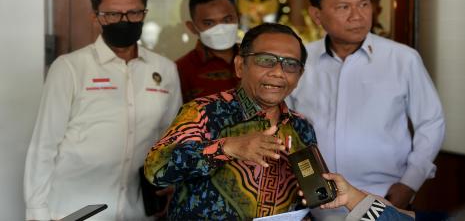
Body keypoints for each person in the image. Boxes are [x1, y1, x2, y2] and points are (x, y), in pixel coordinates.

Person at [144, 23, 413, 220]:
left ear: (300, 75)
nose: (278, 73)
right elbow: (156, 171)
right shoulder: (203, 111)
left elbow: (313, 195)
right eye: (265, 60)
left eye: (290, 65)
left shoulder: (300, 126)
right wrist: (227, 148)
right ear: (240, 66)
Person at [287, 0, 445, 218]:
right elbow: (287, 125)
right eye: (343, 7)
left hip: (385, 198)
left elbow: (431, 122)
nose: (357, 16)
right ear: (316, 15)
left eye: (363, 4)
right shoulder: (300, 61)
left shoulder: (402, 59)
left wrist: (409, 184)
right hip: (318, 200)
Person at [24, 0, 182, 220]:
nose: (124, 20)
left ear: (144, 13)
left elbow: (171, 140)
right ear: (95, 16)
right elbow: (44, 145)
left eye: (134, 12)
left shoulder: (165, 70)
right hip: (74, 210)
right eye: (112, 14)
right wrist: (36, 212)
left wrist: (173, 183)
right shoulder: (69, 68)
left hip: (137, 210)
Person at [176, 0, 240, 102]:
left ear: (237, 17)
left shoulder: (254, 59)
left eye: (227, 20)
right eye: (209, 23)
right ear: (192, 27)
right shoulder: (180, 70)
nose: (220, 28)